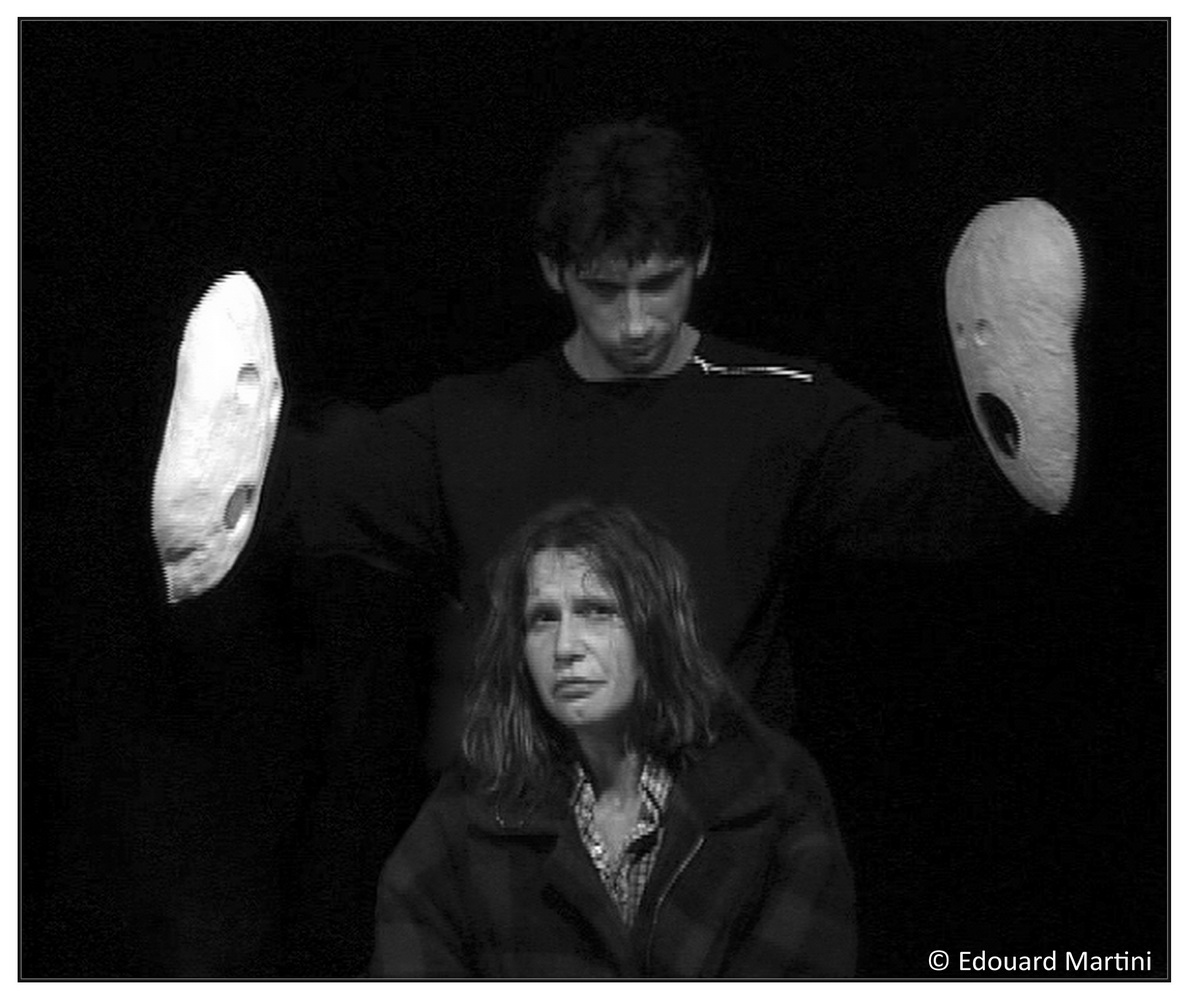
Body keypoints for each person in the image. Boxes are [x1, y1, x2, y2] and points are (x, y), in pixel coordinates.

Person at [150, 118, 1047, 975]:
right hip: (527, 850)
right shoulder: (473, 426)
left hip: (723, 844)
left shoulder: (781, 408)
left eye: (660, 283)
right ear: (553, 271)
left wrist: (1023, 412)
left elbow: (946, 505)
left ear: (702, 257)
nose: (635, 321)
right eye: (603, 289)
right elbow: (295, 496)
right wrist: (218, 470)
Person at [369, 501, 856, 978]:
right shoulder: (472, 810)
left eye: (597, 611)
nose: (565, 648)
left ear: (657, 630)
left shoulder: (769, 792)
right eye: (543, 618)